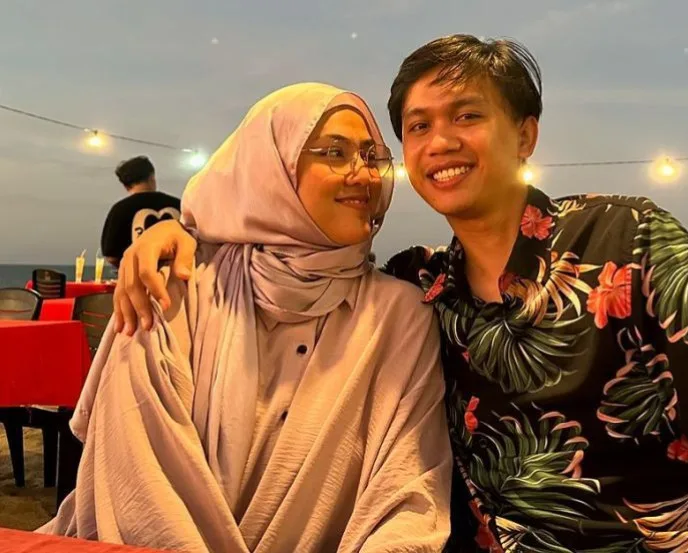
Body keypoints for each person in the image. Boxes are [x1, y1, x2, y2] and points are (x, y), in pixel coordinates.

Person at [112, 36, 688, 553]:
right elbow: (286, 257)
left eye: (467, 115)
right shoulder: (421, 286)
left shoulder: (631, 238)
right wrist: (181, 231)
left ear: (525, 134)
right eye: (418, 126)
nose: (440, 142)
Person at [40, 83, 452, 552]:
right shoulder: (176, 288)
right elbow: (138, 490)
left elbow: (409, 495)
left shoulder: (400, 315)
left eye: (370, 155)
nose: (365, 175)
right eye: (335, 153)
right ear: (270, 167)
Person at [100, 156, 181, 268]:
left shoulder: (119, 210)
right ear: (152, 177)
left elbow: (111, 255)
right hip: (178, 276)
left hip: (137, 276)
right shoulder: (178, 204)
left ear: (125, 185)